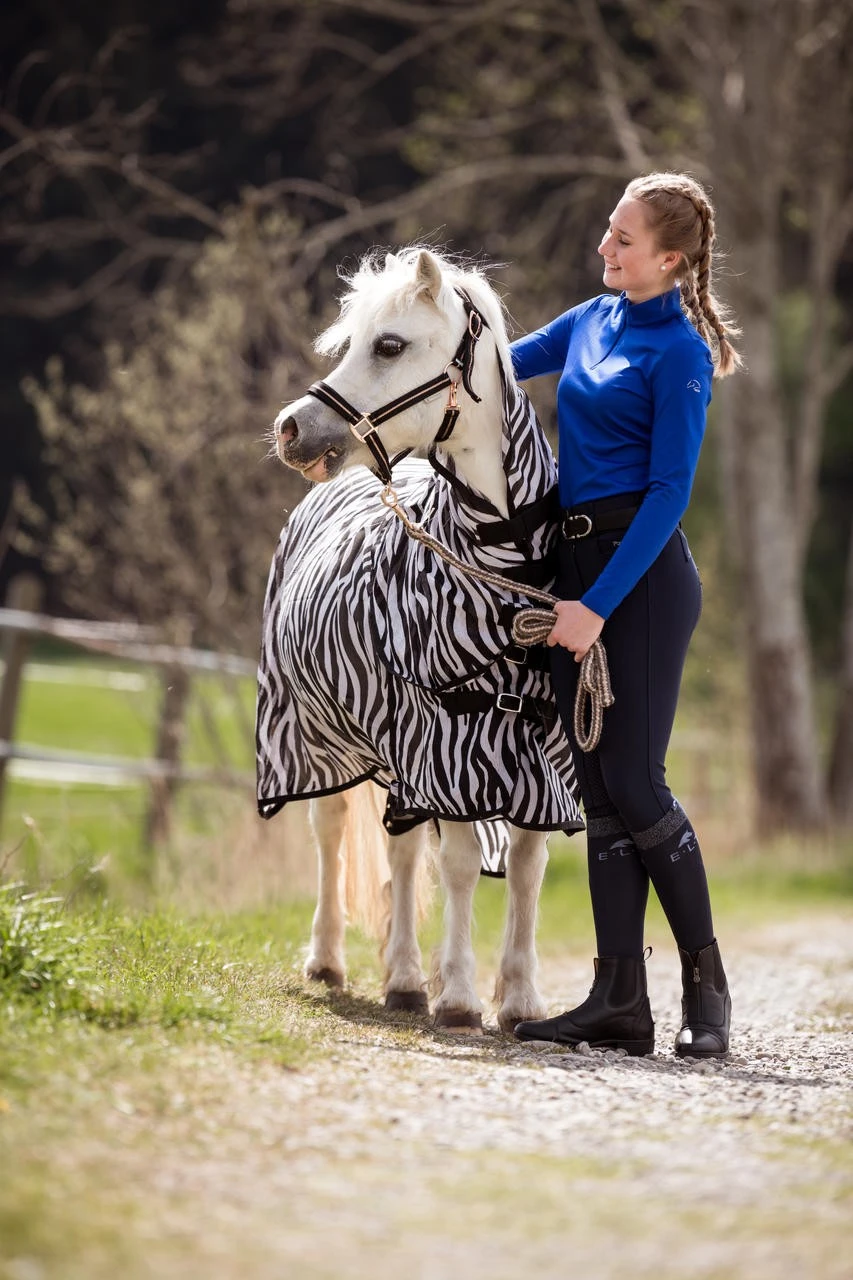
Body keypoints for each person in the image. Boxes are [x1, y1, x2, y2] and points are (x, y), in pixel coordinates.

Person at [510, 171, 741, 1059]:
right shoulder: (588, 319)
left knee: (636, 783)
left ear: (670, 259)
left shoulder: (679, 354)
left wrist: (596, 608)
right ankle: (617, 1002)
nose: (603, 247)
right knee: (598, 791)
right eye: (608, 230)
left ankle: (706, 990)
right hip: (569, 571)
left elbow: (668, 493)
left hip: (636, 583)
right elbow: (495, 365)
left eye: (623, 239)